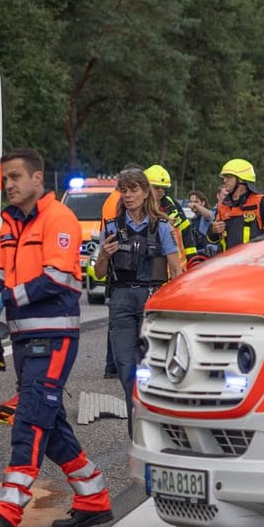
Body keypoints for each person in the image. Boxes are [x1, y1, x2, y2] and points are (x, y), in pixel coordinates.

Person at [0, 148, 114, 527]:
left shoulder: (59, 218)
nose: (8, 185)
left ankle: (7, 511)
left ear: (37, 179)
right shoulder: (11, 222)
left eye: (15, 177)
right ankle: (93, 498)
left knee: (30, 421)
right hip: (24, 336)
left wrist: (5, 299)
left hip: (53, 337)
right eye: (5, 180)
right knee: (49, 425)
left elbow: (59, 279)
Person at [101, 167, 185, 415]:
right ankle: (137, 429)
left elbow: (176, 270)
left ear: (145, 192)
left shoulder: (162, 227)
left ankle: (156, 422)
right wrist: (104, 255)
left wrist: (174, 306)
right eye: (124, 191)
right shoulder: (111, 227)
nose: (128, 195)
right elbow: (98, 272)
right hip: (121, 302)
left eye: (133, 190)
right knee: (127, 372)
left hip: (152, 302)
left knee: (153, 372)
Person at [210, 158, 264, 251]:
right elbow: (212, 239)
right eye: (224, 177)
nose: (224, 180)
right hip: (227, 263)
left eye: (228, 176)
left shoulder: (260, 202)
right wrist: (213, 231)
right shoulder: (222, 206)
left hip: (252, 262)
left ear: (241, 180)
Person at [184, 190, 217, 263]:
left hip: (208, 258)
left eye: (196, 202)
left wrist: (196, 206)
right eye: (191, 202)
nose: (193, 205)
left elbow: (210, 215)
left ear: (203, 203)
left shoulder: (205, 217)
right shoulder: (193, 220)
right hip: (198, 258)